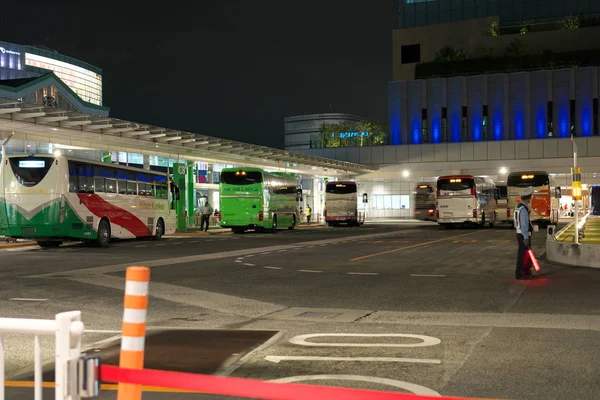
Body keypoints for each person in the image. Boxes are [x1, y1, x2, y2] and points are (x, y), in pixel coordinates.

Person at [514, 187, 534, 280]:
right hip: (523, 235)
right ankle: (520, 273)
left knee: (523, 254)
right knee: (523, 255)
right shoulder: (523, 209)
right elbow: (524, 224)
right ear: (528, 198)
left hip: (519, 233)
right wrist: (526, 237)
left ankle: (525, 271)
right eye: (530, 197)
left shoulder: (518, 207)